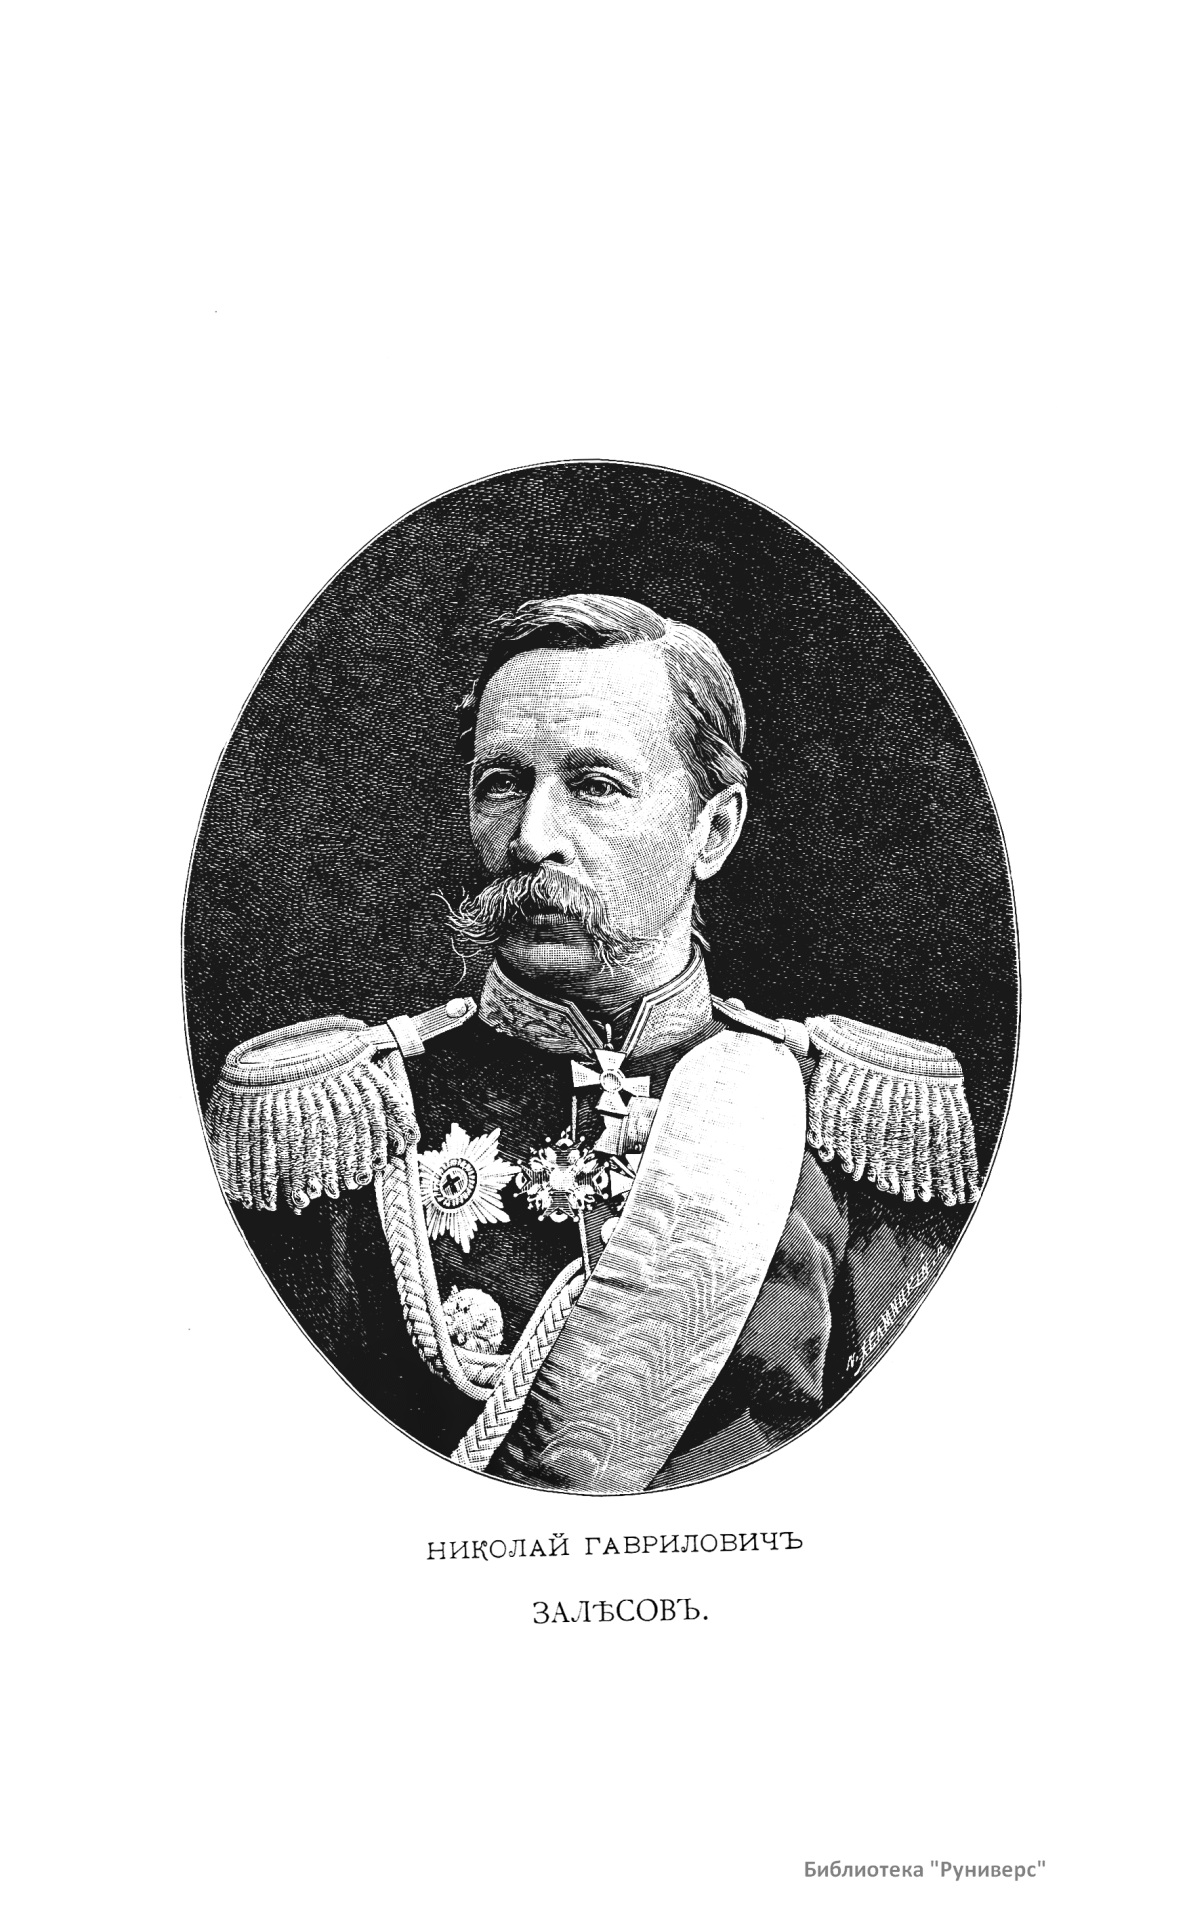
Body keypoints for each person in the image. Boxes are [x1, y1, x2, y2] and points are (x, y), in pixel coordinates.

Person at [207, 594, 979, 1491]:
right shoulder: (336, 1124)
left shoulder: (853, 1124)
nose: (532, 839)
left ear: (713, 830)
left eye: (596, 786)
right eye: (503, 783)